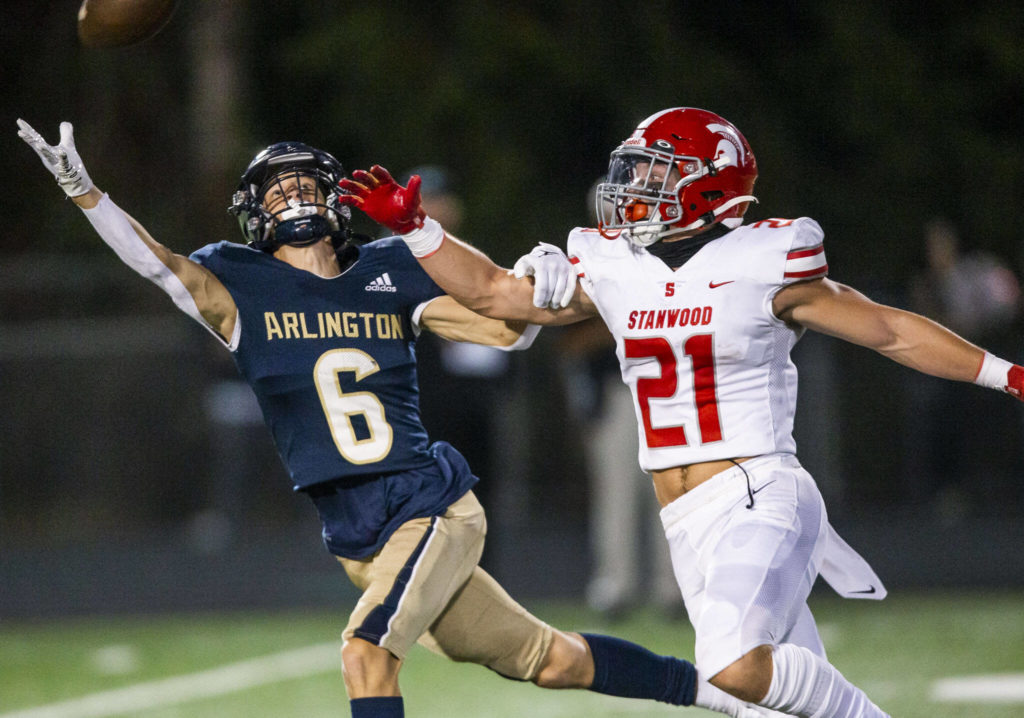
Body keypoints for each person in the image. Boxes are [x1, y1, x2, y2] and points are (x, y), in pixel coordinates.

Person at [18, 118, 780, 718]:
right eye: (276, 190)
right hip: (358, 532)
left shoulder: (388, 270)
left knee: (364, 654)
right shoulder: (237, 284)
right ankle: (734, 700)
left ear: (334, 195)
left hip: (428, 505)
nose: (293, 198)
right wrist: (86, 191)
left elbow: (503, 322)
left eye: (303, 184)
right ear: (255, 211)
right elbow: (157, 263)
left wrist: (556, 276)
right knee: (550, 660)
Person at [338, 106, 1024, 718]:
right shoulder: (615, 264)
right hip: (686, 517)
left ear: (710, 182)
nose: (634, 189)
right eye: (634, 173)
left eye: (655, 174)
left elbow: (890, 329)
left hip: (759, 489)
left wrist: (1011, 375)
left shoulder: (764, 258)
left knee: (732, 669)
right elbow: (493, 295)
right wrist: (418, 230)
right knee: (758, 706)